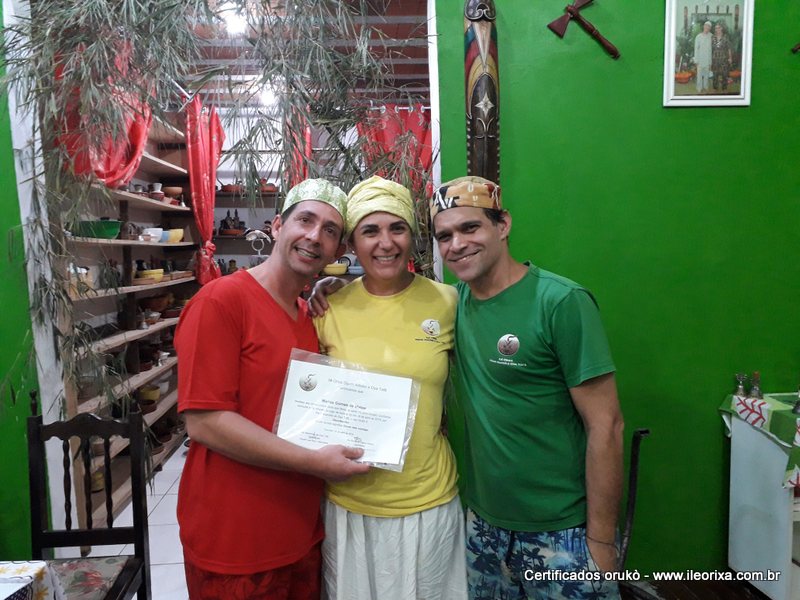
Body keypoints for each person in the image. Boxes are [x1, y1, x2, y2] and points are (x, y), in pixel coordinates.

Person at [174, 178, 370, 600]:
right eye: (306, 220)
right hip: (235, 541)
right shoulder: (221, 302)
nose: (314, 236)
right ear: (277, 226)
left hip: (301, 532)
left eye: (330, 230)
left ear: (338, 251)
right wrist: (313, 462)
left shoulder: (310, 316)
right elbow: (205, 423)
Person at [430, 176, 624, 600]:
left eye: (470, 227)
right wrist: (330, 288)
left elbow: (606, 426)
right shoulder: (451, 306)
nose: (456, 245)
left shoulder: (560, 302)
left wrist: (602, 540)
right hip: (483, 529)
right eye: (444, 236)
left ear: (503, 225)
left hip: (562, 533)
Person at [314, 175, 467, 599]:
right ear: (351, 243)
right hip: (350, 506)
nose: (386, 243)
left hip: (429, 502)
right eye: (370, 231)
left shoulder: (448, 302)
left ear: (413, 235)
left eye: (397, 228)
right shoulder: (328, 308)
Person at [711, 21, 733, 92]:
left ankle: (724, 88)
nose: (717, 29)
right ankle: (715, 88)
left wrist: (730, 58)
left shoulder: (725, 37)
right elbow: (710, 49)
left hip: (724, 58)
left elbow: (729, 48)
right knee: (715, 74)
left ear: (721, 28)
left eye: (718, 28)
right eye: (716, 28)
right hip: (715, 58)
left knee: (724, 73)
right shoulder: (712, 37)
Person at [693, 21, 713, 93]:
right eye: (706, 25)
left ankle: (706, 87)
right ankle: (699, 88)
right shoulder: (698, 36)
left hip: (707, 60)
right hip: (700, 60)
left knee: (706, 76)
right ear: (704, 26)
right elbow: (696, 49)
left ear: (710, 28)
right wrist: (696, 60)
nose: (707, 27)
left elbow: (712, 50)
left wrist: (710, 62)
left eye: (709, 26)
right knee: (699, 76)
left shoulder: (711, 36)